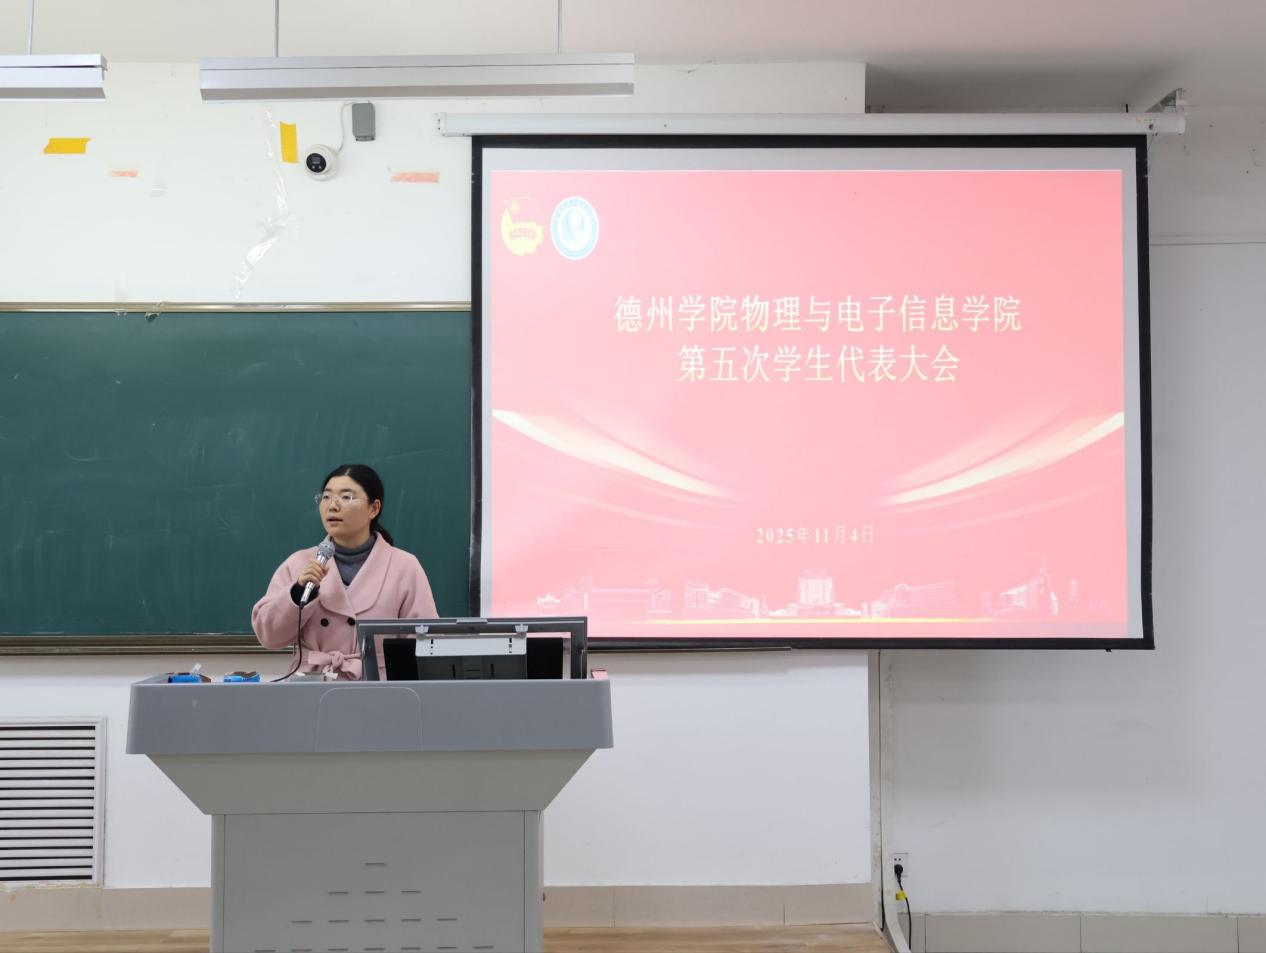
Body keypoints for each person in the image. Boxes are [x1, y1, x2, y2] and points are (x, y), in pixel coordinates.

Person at [252, 463, 437, 679]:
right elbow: (269, 637)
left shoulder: (404, 566)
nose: (332, 506)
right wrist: (298, 592)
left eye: (346, 497)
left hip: (377, 685)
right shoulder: (299, 563)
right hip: (311, 684)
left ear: (374, 508)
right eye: (326, 497)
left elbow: (425, 642)